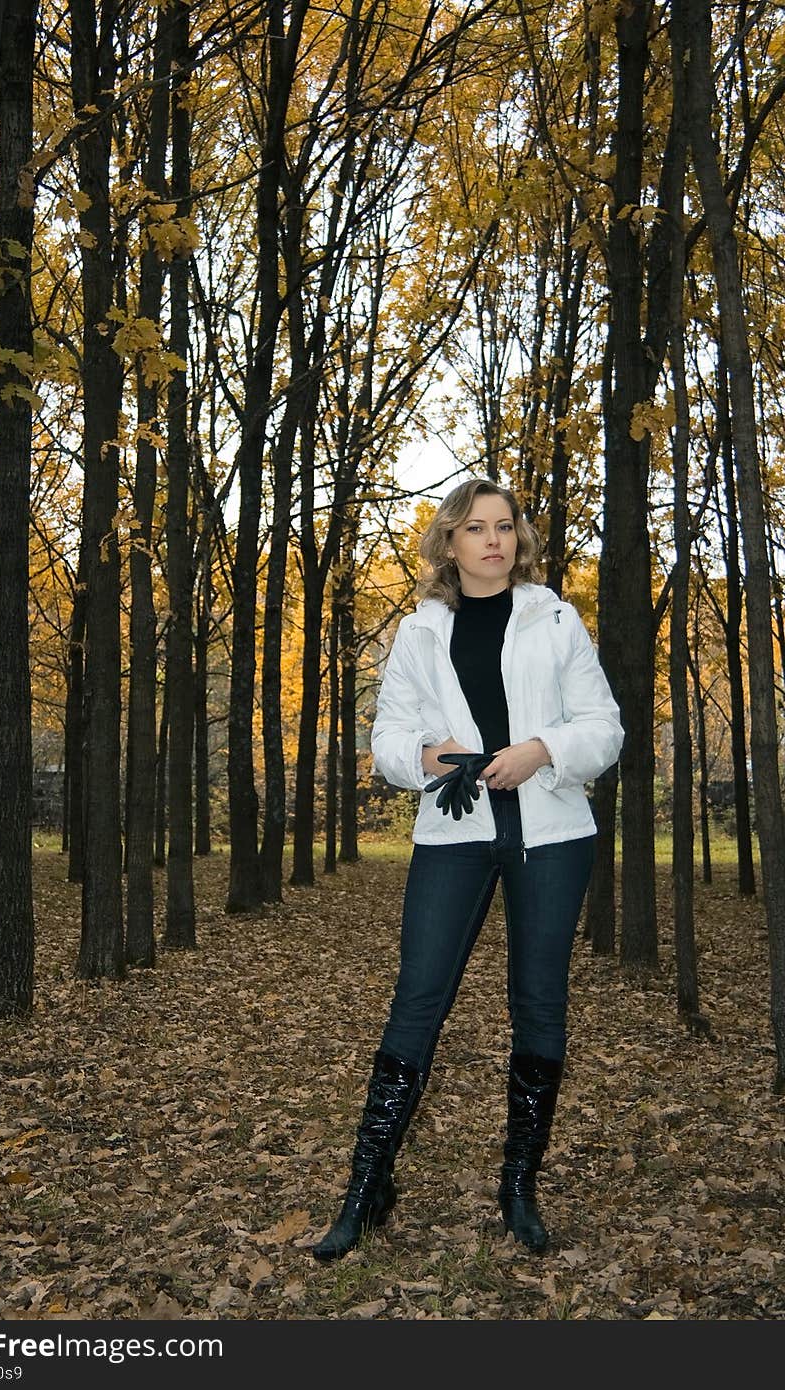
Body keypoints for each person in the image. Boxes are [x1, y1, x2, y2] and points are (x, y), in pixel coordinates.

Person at [312, 477, 624, 1262]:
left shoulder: (556, 620)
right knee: (418, 999)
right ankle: (365, 1190)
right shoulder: (417, 634)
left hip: (553, 833)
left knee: (539, 1002)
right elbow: (388, 742)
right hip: (453, 834)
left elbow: (604, 727)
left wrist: (541, 751)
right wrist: (426, 756)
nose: (494, 540)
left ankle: (519, 1188)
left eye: (506, 526)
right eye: (476, 528)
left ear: (518, 539)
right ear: (449, 543)